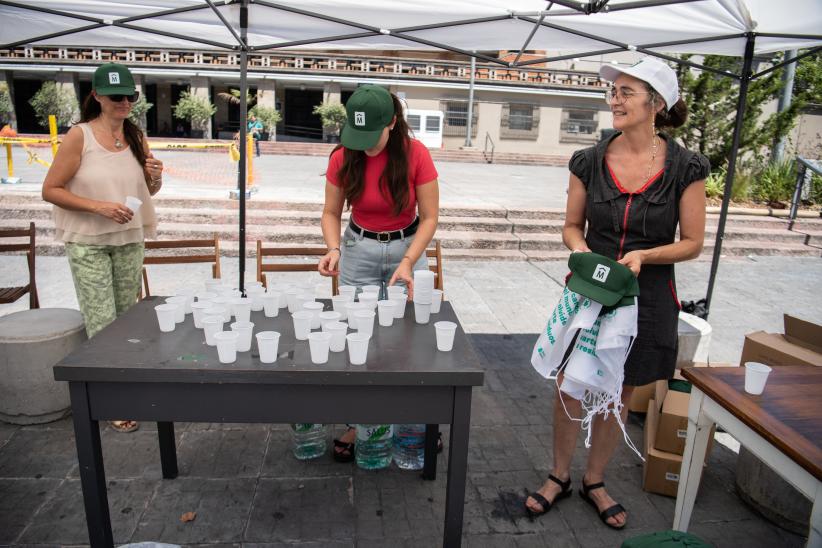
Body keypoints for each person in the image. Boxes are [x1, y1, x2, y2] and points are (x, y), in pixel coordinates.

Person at [525, 57, 709, 528]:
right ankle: (559, 475)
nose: (615, 99)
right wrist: (585, 253)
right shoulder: (588, 160)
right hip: (590, 291)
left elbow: (692, 242)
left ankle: (596, 480)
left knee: (619, 391)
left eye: (627, 92)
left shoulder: (685, 167)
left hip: (647, 298)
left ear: (657, 103)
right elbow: (571, 227)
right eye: (614, 91)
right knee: (569, 383)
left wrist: (645, 256)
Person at [317, 84, 440, 462]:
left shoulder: (415, 154)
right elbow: (331, 213)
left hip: (407, 247)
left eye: (373, 137)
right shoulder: (343, 156)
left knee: (408, 337)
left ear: (392, 121)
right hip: (359, 249)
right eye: (359, 137)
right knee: (360, 336)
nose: (366, 146)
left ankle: (412, 421)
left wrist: (408, 261)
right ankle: (360, 421)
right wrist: (333, 248)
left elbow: (431, 217)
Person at [42, 62, 162, 434]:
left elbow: (148, 193)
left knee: (127, 319)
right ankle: (110, 400)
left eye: (130, 96)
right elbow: (51, 190)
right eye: (116, 96)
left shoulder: (135, 136)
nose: (124, 102)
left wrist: (155, 179)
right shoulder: (79, 136)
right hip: (88, 241)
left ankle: (126, 388)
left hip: (128, 238)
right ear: (96, 96)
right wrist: (99, 207)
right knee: (102, 321)